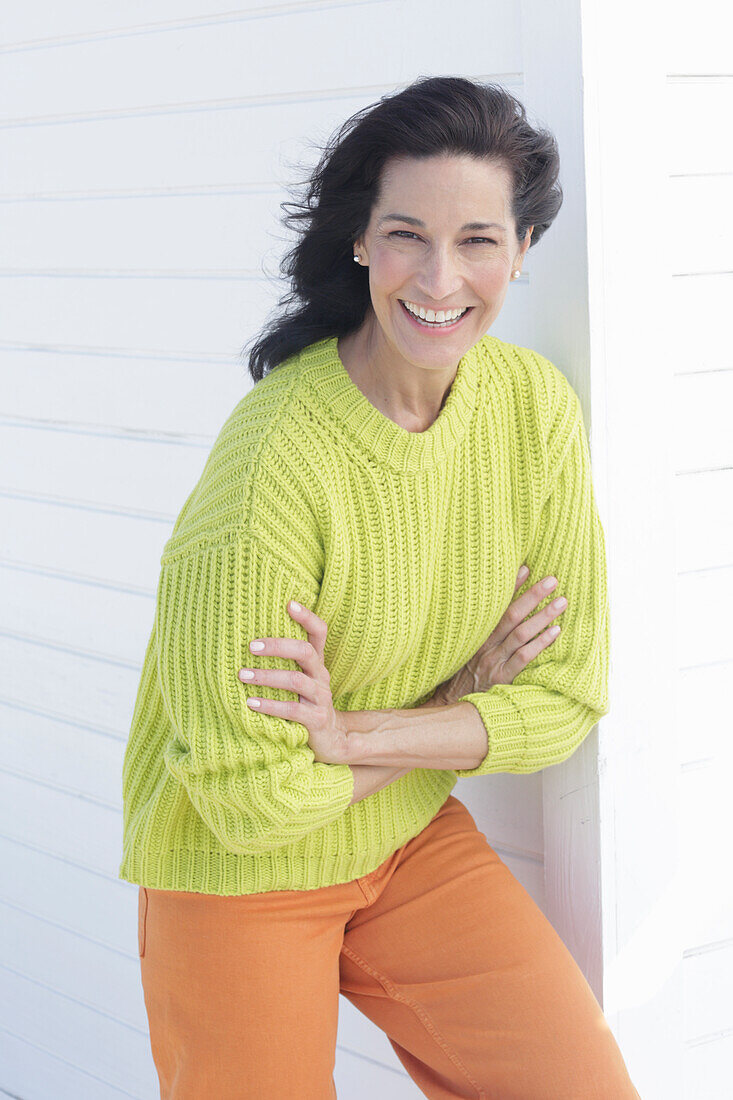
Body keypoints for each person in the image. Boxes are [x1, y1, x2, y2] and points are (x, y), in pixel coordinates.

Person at [120, 76, 641, 1098]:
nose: (441, 277)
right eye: (407, 234)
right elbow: (249, 793)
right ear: (360, 238)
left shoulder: (529, 409)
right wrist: (454, 715)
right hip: (240, 876)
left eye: (479, 239)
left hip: (404, 833)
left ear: (522, 249)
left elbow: (566, 695)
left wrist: (363, 729)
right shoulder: (274, 460)